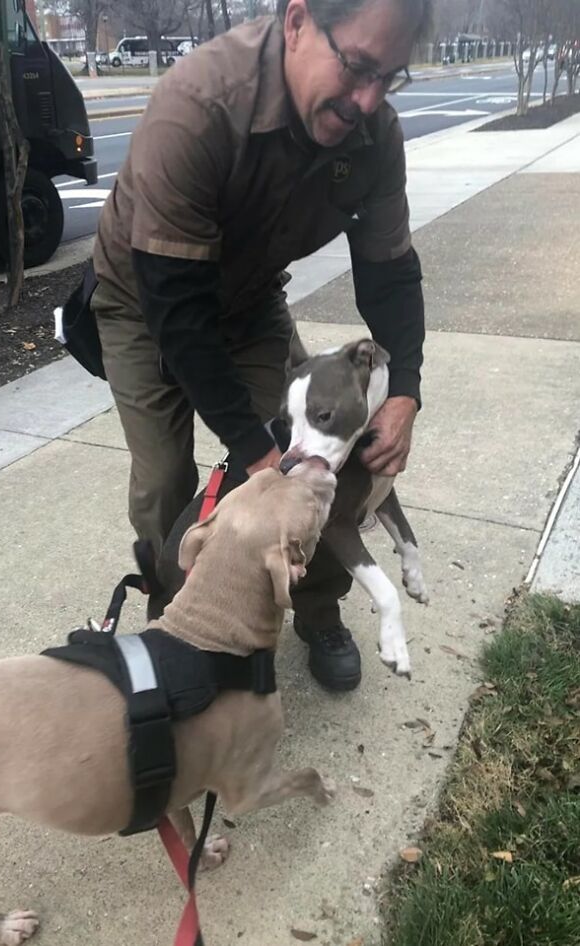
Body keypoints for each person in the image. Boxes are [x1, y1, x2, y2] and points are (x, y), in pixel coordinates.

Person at [91, 0, 430, 692]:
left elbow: (390, 272)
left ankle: (317, 607)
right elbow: (177, 313)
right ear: (299, 21)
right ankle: (176, 604)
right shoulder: (200, 103)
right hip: (144, 301)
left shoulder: (373, 136)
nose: (368, 100)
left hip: (248, 304)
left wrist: (405, 390)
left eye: (388, 79)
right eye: (359, 67)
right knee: (164, 479)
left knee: (322, 475)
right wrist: (258, 451)